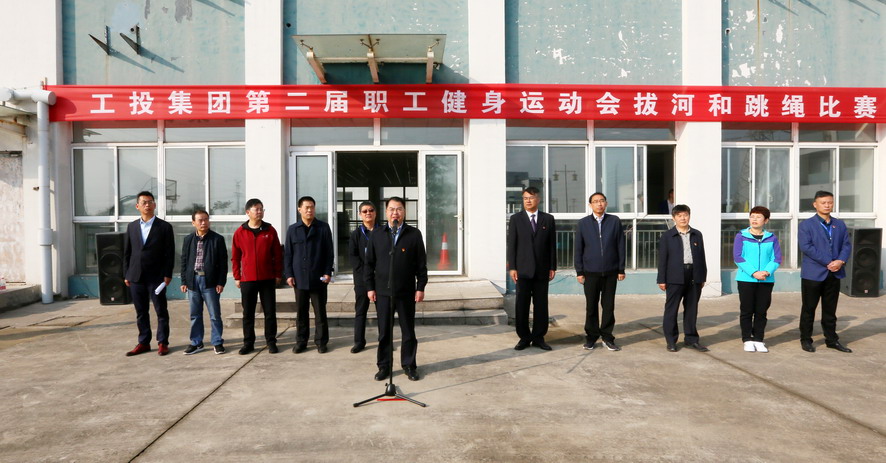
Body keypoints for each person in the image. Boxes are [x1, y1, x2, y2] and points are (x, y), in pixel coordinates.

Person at [365, 197, 428, 382]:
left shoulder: (414, 234)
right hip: (382, 292)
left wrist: (420, 287)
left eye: (399, 209)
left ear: (404, 212)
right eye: (391, 209)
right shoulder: (377, 234)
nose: (395, 213)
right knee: (384, 332)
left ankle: (409, 365)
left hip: (406, 291)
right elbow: (369, 264)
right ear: (386, 212)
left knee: (408, 331)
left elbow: (421, 264)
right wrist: (370, 287)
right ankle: (384, 366)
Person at [798, 191, 852, 353]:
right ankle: (806, 340)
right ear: (815, 204)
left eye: (830, 202)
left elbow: (846, 245)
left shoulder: (839, 224)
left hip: (834, 273)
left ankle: (831, 340)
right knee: (809, 309)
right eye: (823, 203)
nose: (827, 205)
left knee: (830, 310)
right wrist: (829, 261)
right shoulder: (806, 225)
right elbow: (806, 247)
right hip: (813, 274)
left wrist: (840, 261)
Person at [123, 191, 175, 356]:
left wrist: (167, 274)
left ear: (155, 205)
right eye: (144, 202)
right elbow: (127, 252)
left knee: (161, 310)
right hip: (136, 276)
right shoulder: (132, 227)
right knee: (141, 311)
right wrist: (126, 273)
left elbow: (169, 253)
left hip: (157, 276)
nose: (147, 205)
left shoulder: (164, 227)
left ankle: (163, 342)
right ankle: (144, 342)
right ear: (137, 206)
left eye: (150, 202)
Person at [507, 186, 557, 351]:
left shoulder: (548, 219)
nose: (528, 201)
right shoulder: (516, 219)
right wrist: (512, 267)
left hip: (542, 270)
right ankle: (524, 337)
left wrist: (552, 266)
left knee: (541, 305)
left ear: (538, 199)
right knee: (522, 304)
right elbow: (512, 244)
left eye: (531, 197)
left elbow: (551, 245)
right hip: (522, 270)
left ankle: (538, 337)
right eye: (525, 198)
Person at [574, 192, 626, 351]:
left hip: (611, 272)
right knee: (591, 306)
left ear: (606, 203)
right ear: (590, 205)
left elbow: (621, 245)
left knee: (608, 306)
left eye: (602, 201)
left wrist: (621, 268)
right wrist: (579, 271)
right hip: (590, 272)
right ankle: (591, 337)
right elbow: (578, 249)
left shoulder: (614, 221)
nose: (599, 204)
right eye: (595, 201)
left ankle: (607, 337)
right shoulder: (583, 223)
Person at [283, 196, 334, 354]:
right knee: (301, 313)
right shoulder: (293, 229)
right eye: (306, 207)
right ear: (299, 209)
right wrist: (289, 274)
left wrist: (327, 272)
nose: (310, 210)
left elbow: (329, 253)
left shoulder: (323, 228)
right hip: (299, 279)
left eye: (312, 207)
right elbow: (288, 254)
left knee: (320, 312)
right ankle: (301, 342)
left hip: (318, 278)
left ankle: (321, 342)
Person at [231, 198, 282, 355]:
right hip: (248, 279)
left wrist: (278, 274)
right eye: (256, 209)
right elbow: (235, 257)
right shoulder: (240, 232)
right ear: (248, 212)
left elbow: (278, 255)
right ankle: (248, 343)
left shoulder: (270, 230)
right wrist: (237, 276)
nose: (259, 212)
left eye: (261, 209)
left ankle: (271, 341)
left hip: (267, 278)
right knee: (248, 313)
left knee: (270, 312)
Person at [657, 204, 708, 352]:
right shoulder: (667, 236)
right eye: (679, 216)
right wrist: (661, 279)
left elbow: (702, 256)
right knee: (671, 310)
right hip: (674, 276)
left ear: (689, 216)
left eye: (685, 215)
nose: (683, 218)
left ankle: (691, 339)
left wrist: (702, 276)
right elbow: (662, 259)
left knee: (692, 309)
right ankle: (671, 341)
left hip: (694, 275)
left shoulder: (697, 234)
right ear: (674, 218)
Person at [733, 206, 782, 353]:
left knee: (761, 310)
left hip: (766, 280)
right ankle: (747, 339)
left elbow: (776, 258)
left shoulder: (771, 238)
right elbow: (738, 257)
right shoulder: (741, 236)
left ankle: (759, 339)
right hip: (746, 279)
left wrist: (766, 272)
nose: (754, 219)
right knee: (747, 310)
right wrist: (754, 273)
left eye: (758, 217)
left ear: (766, 220)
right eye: (752, 216)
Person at [180, 209, 228, 355]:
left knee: (214, 314)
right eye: (200, 220)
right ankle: (196, 342)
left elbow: (223, 263)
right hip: (193, 281)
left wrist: (221, 282)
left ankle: (217, 342)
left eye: (206, 219)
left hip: (210, 282)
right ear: (193, 223)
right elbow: (184, 261)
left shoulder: (217, 239)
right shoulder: (188, 239)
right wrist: (184, 281)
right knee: (195, 314)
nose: (203, 223)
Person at [348, 200, 378, 353]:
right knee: (360, 311)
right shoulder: (356, 234)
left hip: (380, 278)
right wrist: (366, 273)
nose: (368, 213)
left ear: (375, 213)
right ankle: (359, 342)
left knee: (384, 313)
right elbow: (353, 257)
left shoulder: (383, 232)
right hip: (361, 279)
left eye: (371, 210)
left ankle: (385, 341)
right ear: (360, 214)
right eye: (365, 211)